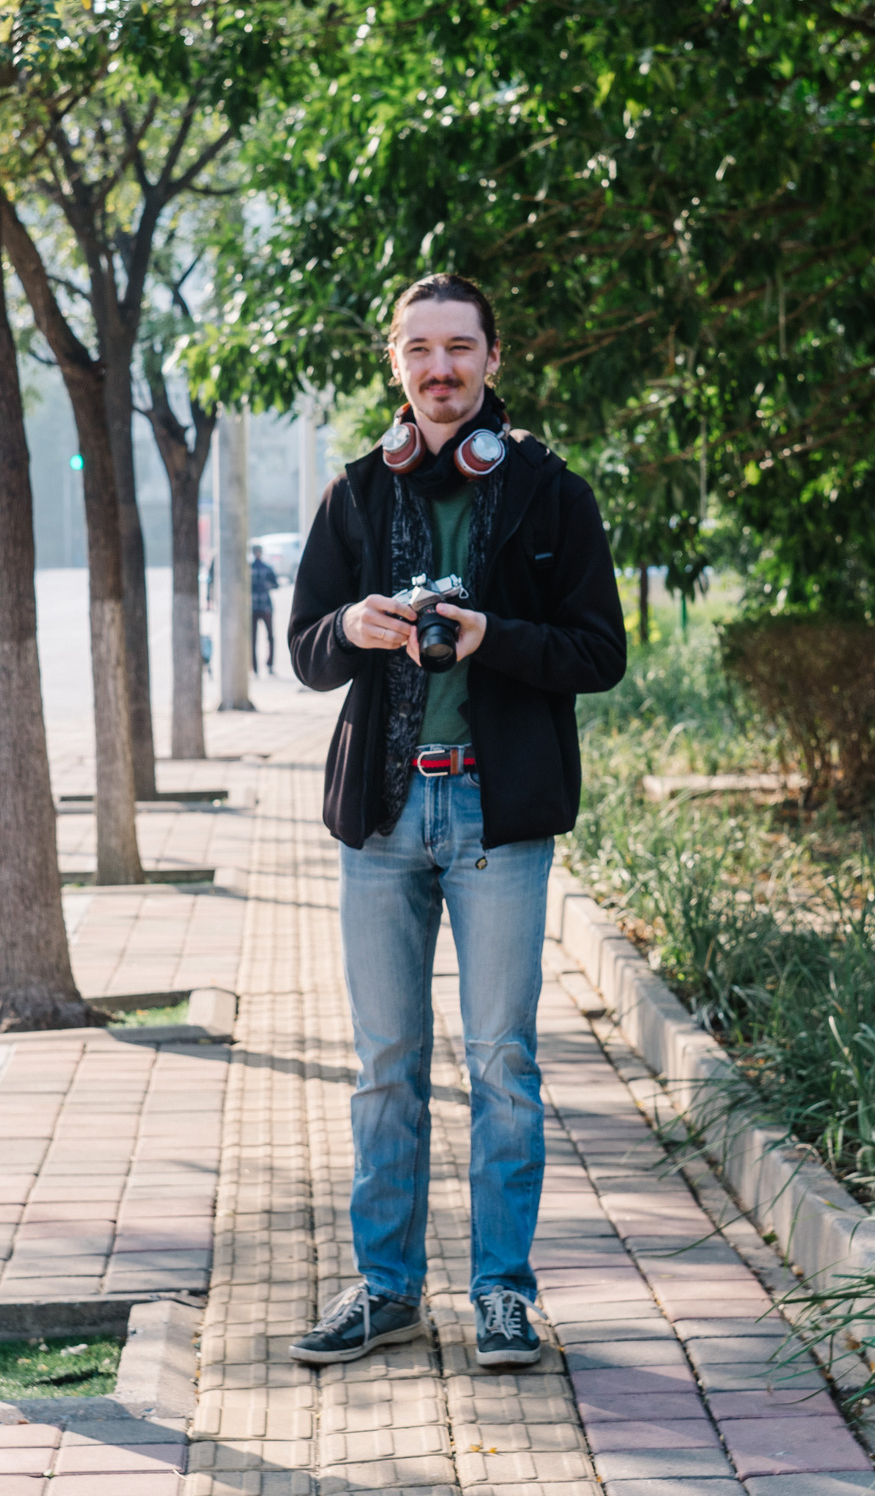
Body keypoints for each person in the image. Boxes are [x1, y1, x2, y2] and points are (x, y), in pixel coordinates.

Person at [284, 273, 627, 1370]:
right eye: (419, 349)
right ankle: (386, 1288)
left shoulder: (549, 492)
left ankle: (502, 1293)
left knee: (503, 1064)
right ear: (395, 362)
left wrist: (491, 636)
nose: (440, 370)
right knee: (386, 1063)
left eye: (459, 349)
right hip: (382, 819)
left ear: (491, 359)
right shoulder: (353, 494)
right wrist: (355, 622)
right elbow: (303, 649)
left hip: (496, 810)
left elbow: (599, 652)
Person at [250, 544, 280, 677]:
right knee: (253, 639)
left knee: (270, 637)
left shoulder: (266, 568)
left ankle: (269, 665)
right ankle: (255, 667)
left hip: (264, 606)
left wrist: (266, 585)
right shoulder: (250, 569)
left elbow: (275, 584)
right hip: (254, 607)